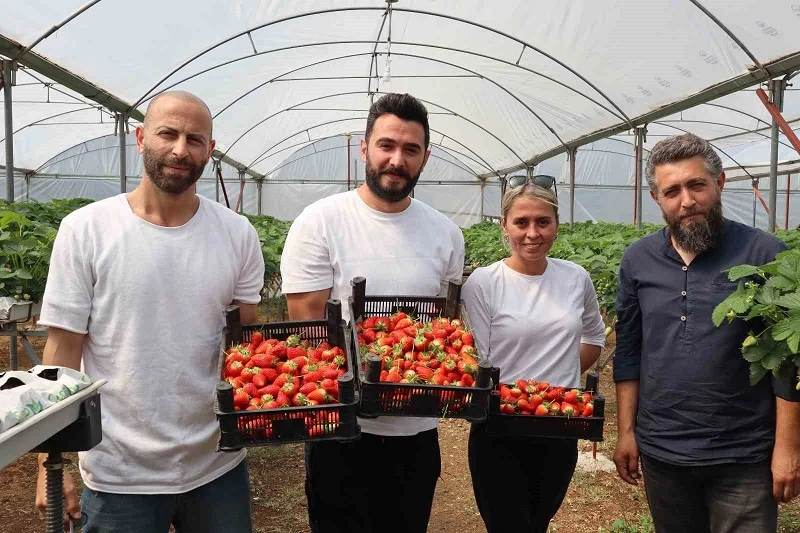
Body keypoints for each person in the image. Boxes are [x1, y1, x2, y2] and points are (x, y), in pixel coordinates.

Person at [34, 91, 265, 533]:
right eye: (168, 134)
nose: (181, 149)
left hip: (217, 463)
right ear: (140, 138)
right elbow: (63, 350)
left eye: (195, 139)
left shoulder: (238, 234)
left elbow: (245, 346)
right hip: (119, 471)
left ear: (210, 151)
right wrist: (51, 459)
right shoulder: (86, 230)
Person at [279, 92, 465, 533]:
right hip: (341, 432)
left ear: (425, 157)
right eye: (386, 145)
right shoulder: (320, 221)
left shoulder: (445, 233)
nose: (396, 159)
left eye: (410, 150)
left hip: (417, 430)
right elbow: (308, 331)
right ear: (364, 148)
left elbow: (443, 330)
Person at [613, 133, 800, 533]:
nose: (687, 201)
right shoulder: (638, 259)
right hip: (662, 449)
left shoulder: (764, 255)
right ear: (656, 197)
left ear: (720, 183)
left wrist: (787, 447)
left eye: (696, 184)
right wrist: (626, 432)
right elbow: (629, 351)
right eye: (672, 191)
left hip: (744, 454)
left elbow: (788, 360)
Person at [461, 179, 606, 533]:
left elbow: (594, 334)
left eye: (543, 222)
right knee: (508, 524)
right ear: (504, 224)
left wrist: (559, 387)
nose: (532, 233)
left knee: (538, 520)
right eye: (521, 222)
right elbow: (478, 359)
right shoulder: (483, 283)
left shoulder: (575, 277)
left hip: (561, 423)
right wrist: (520, 396)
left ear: (556, 223)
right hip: (500, 426)